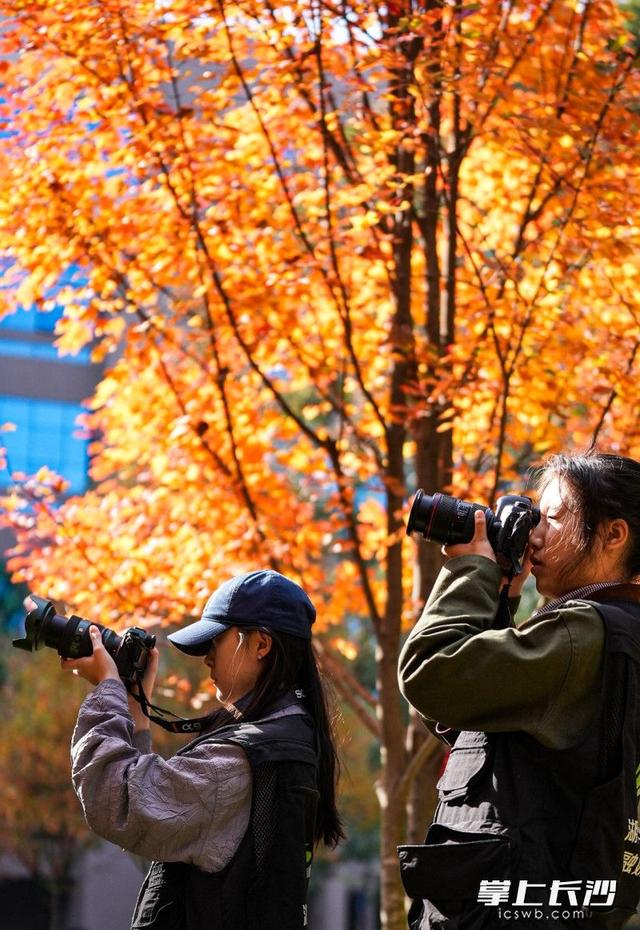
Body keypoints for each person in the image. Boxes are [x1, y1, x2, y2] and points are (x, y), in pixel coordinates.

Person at [397, 451, 640, 930]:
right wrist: (501, 598)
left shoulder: (582, 633)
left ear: (614, 534)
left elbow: (431, 675)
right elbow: (469, 717)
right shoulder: (615, 634)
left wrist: (472, 571)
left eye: (552, 517)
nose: (534, 534)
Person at [63, 569, 344, 930]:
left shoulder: (241, 759)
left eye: (215, 641)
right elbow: (162, 814)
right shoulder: (289, 736)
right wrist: (137, 710)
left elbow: (117, 799)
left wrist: (107, 688)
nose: (207, 658)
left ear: (261, 644)